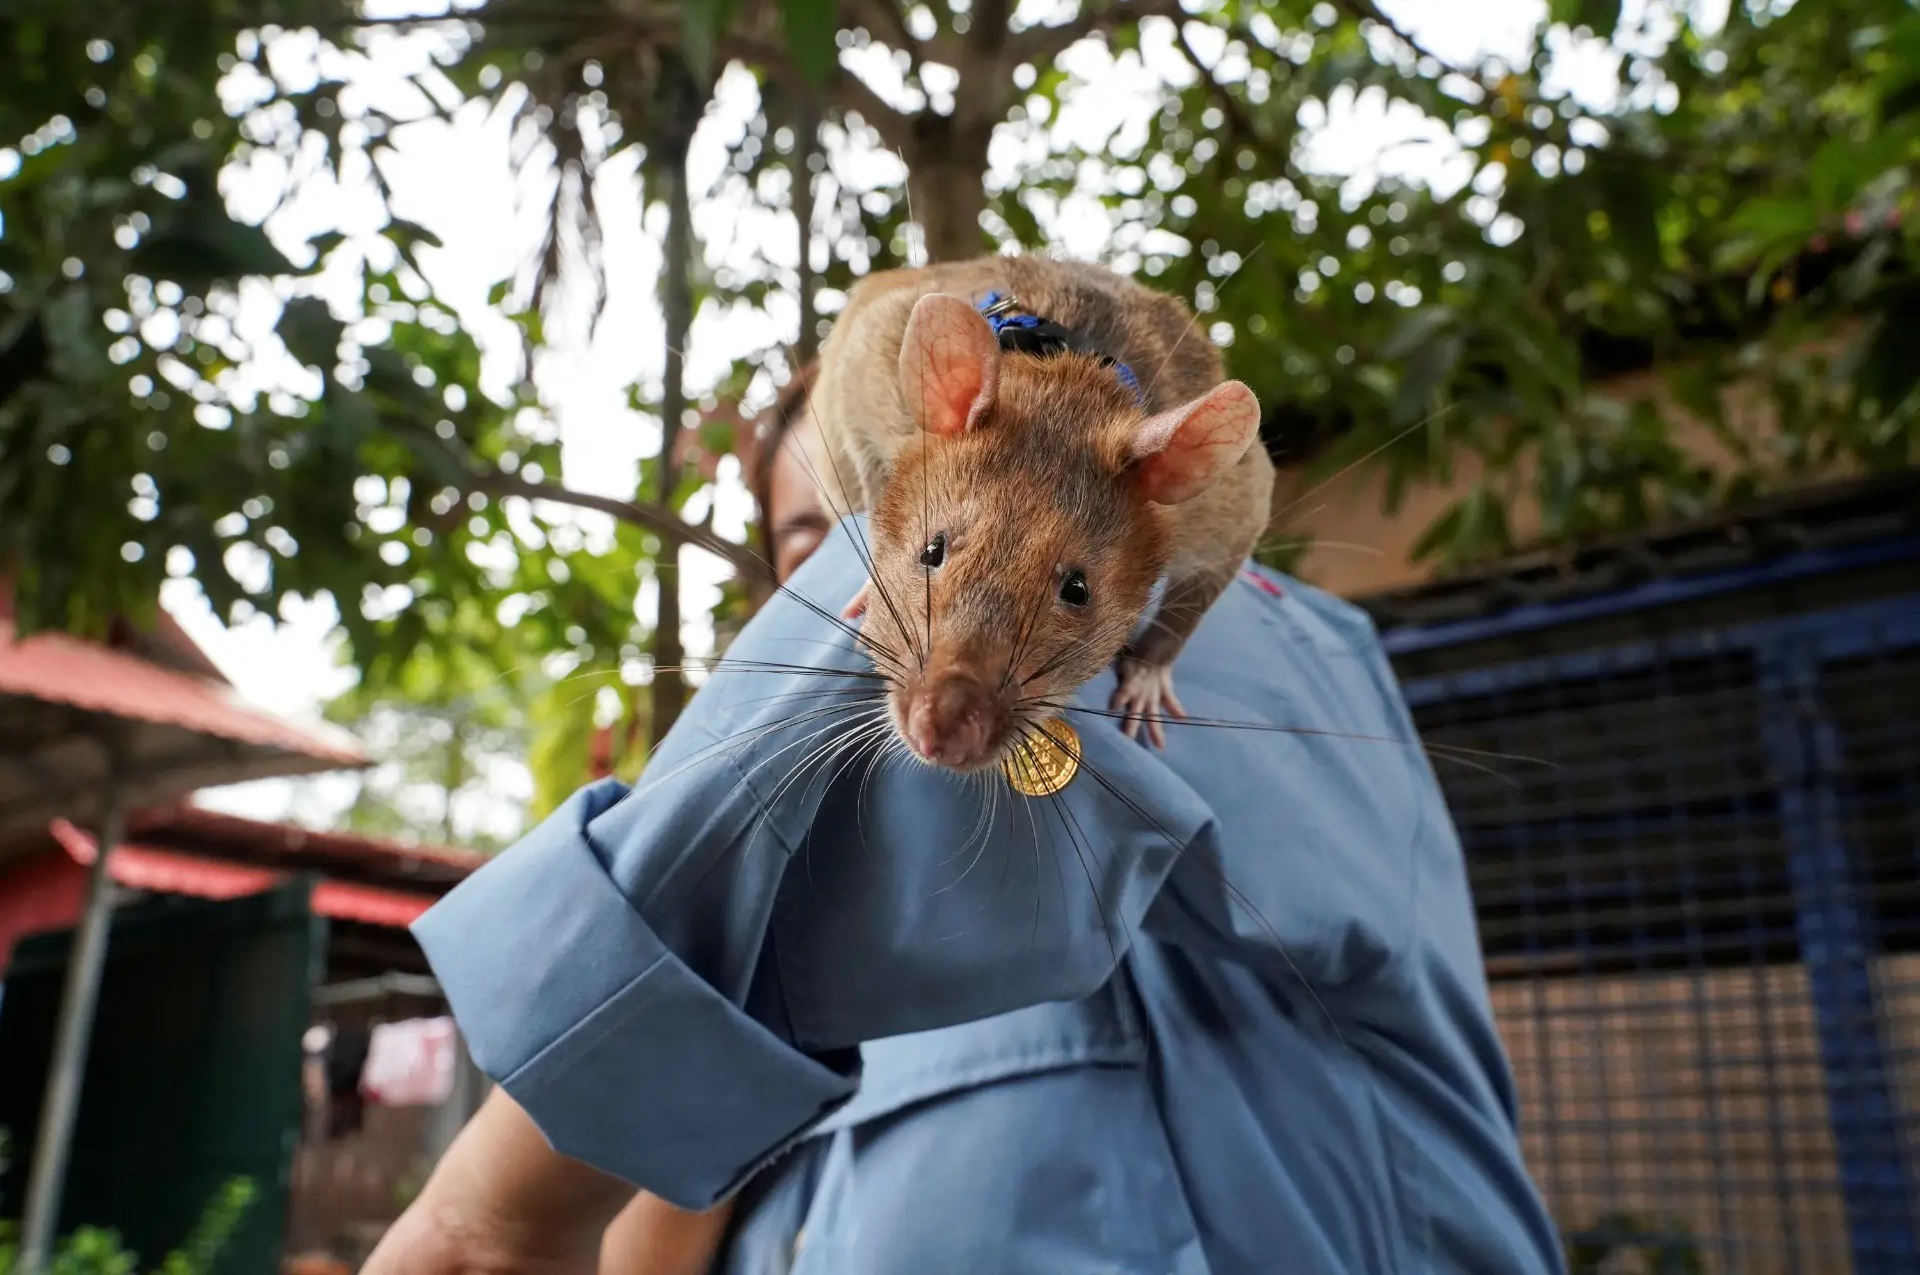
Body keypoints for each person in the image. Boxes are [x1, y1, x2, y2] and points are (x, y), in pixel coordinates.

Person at [363, 357, 1565, 1275]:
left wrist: (488, 1216)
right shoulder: (823, 861)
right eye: (816, 545)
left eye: (844, 543)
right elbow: (678, 1194)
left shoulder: (1227, 627)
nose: (834, 590)